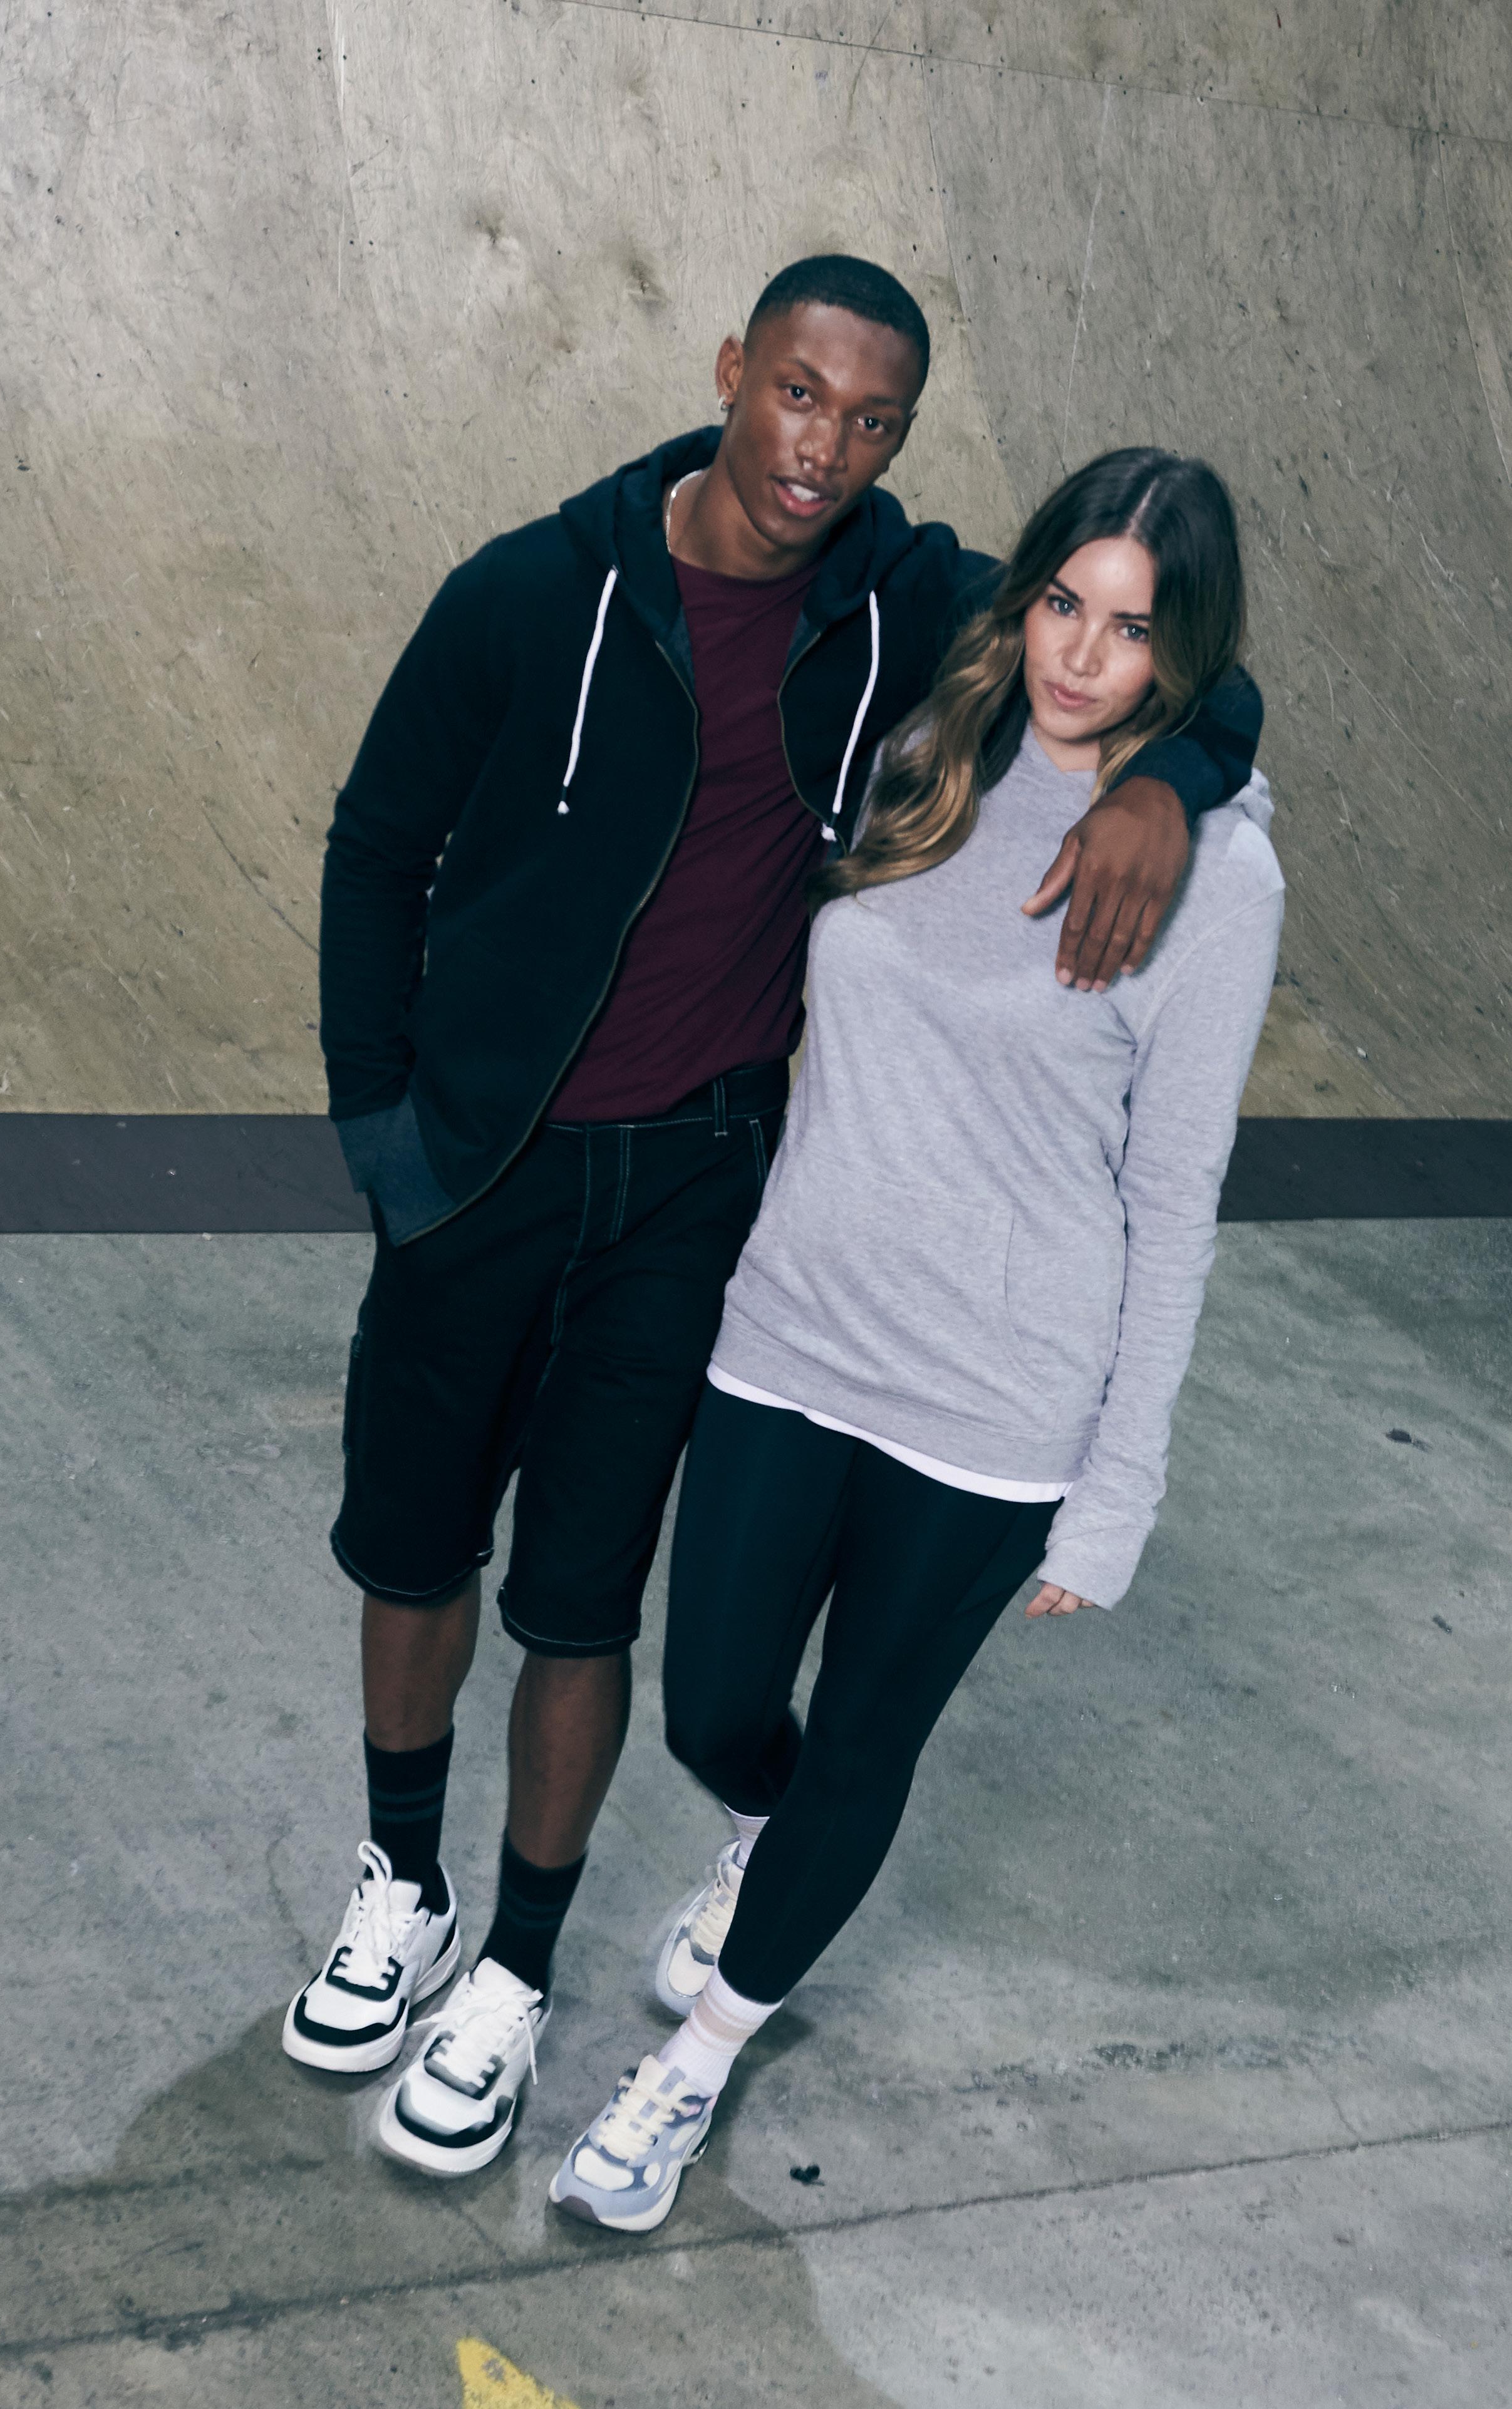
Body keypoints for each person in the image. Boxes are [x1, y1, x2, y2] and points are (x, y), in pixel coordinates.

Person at [288, 253, 1265, 2183]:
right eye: (801, 394)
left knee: (583, 1600)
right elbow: (379, 844)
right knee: (412, 1550)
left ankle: (519, 1977)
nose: (825, 446)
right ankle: (401, 1884)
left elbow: (1168, 642)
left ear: (899, 438)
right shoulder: (533, 592)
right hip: (479, 1166)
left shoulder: (897, 605)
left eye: (873, 419)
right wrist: (386, 1136)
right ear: (736, 370)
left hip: (690, 1192)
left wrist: (1179, 778)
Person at [546, 447, 1285, 2231]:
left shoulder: (1220, 874)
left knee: (869, 1735)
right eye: (1064, 605)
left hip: (995, 1403)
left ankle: (699, 2055)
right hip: (797, 1330)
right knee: (720, 1702)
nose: (1082, 657)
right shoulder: (929, 741)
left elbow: (1175, 1197)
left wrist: (1117, 1493)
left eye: (1134, 633)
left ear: (1185, 655)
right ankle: (786, 1843)